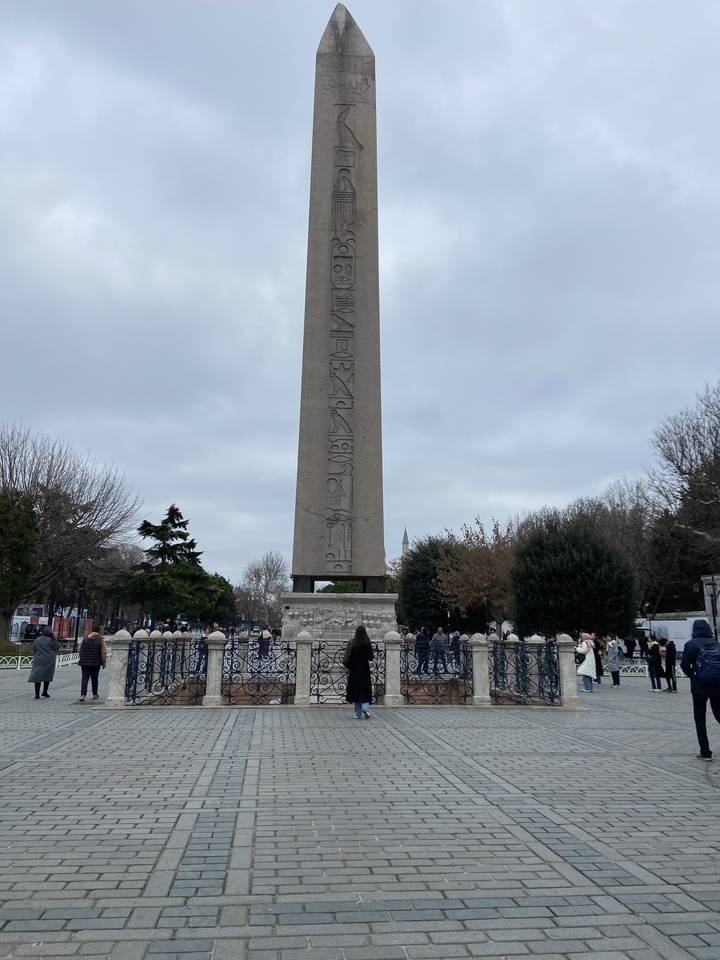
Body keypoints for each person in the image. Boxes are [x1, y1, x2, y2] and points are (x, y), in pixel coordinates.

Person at [681, 619, 720, 761]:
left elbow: (684, 665)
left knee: (700, 719)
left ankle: (705, 752)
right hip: (717, 686)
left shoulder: (691, 645)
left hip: (699, 688)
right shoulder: (716, 644)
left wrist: (692, 675)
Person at [344, 624, 374, 719]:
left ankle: (357, 714)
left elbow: (348, 657)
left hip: (355, 668)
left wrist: (350, 666)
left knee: (356, 690)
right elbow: (371, 657)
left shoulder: (352, 642)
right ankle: (365, 707)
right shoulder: (367, 642)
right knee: (364, 689)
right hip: (364, 668)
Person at [28, 624, 60, 699]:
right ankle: (45, 692)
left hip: (38, 660)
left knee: (37, 677)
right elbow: (57, 647)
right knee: (47, 676)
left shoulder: (37, 639)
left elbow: (34, 649)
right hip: (49, 660)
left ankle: (37, 694)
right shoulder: (51, 640)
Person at [78, 631, 108, 701]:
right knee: (94, 678)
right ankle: (95, 694)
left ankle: (83, 695)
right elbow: (103, 652)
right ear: (98, 632)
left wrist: (82, 658)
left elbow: (80, 650)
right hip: (96, 662)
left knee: (84, 679)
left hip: (85, 662)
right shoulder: (100, 639)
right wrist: (104, 662)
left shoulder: (85, 639)